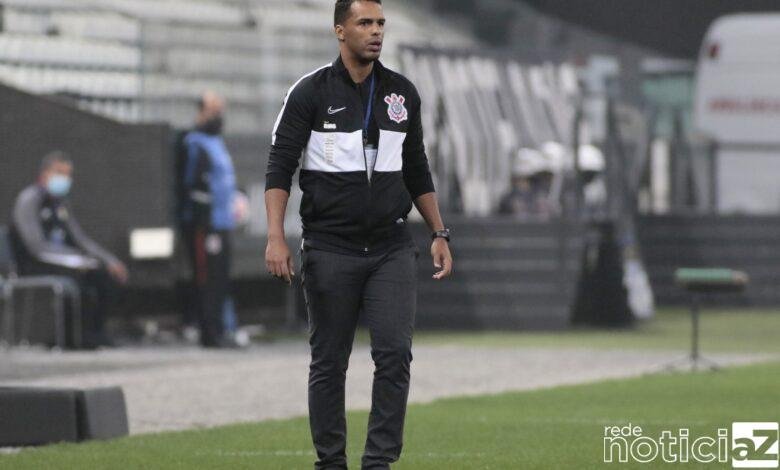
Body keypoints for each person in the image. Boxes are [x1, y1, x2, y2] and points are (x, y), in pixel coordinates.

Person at [264, 1, 453, 468]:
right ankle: (331, 462)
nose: (375, 32)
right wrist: (275, 236)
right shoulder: (309, 92)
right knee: (329, 362)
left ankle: (378, 461)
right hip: (330, 247)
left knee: (395, 355)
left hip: (391, 246)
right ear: (339, 30)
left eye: (380, 23)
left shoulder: (401, 92)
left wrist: (439, 231)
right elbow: (280, 167)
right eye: (364, 23)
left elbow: (416, 167)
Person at [10, 151, 128, 348]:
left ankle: (95, 333)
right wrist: (74, 259)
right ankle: (72, 337)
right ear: (45, 174)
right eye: (59, 173)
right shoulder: (29, 200)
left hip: (66, 261)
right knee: (80, 277)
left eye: (67, 174)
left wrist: (109, 260)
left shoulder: (61, 204)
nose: (64, 179)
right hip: (34, 264)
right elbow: (35, 246)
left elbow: (80, 239)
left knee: (103, 275)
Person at [178, 91, 243, 348]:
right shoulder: (195, 143)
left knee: (221, 278)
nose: (219, 117)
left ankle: (221, 329)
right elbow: (193, 186)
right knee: (207, 278)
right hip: (206, 225)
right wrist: (204, 223)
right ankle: (209, 333)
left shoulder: (217, 143)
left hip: (222, 222)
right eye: (214, 111)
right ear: (202, 112)